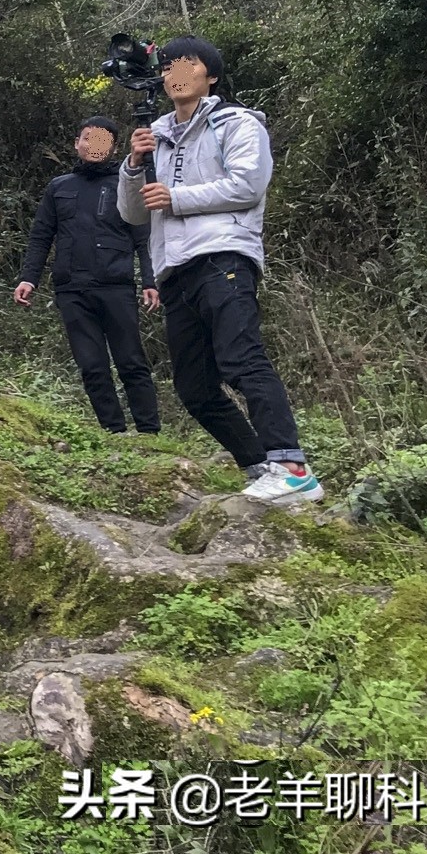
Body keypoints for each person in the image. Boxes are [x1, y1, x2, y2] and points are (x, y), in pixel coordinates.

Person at [118, 36, 323, 506]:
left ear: (209, 75)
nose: (174, 71)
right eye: (167, 64)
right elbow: (133, 214)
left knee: (242, 359)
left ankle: (292, 467)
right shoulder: (157, 135)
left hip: (223, 255)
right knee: (194, 387)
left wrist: (178, 197)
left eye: (186, 63)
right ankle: (261, 470)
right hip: (174, 268)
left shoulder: (237, 123)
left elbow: (248, 185)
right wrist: (134, 164)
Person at [15, 116, 163, 434]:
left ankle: (149, 432)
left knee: (131, 362)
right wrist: (29, 278)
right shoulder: (59, 188)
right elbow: (41, 236)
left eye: (103, 140)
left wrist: (150, 281)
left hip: (117, 286)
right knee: (92, 366)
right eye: (89, 138)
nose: (95, 146)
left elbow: (144, 238)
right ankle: (115, 431)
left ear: (112, 147)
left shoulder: (125, 185)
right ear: (77, 143)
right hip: (72, 290)